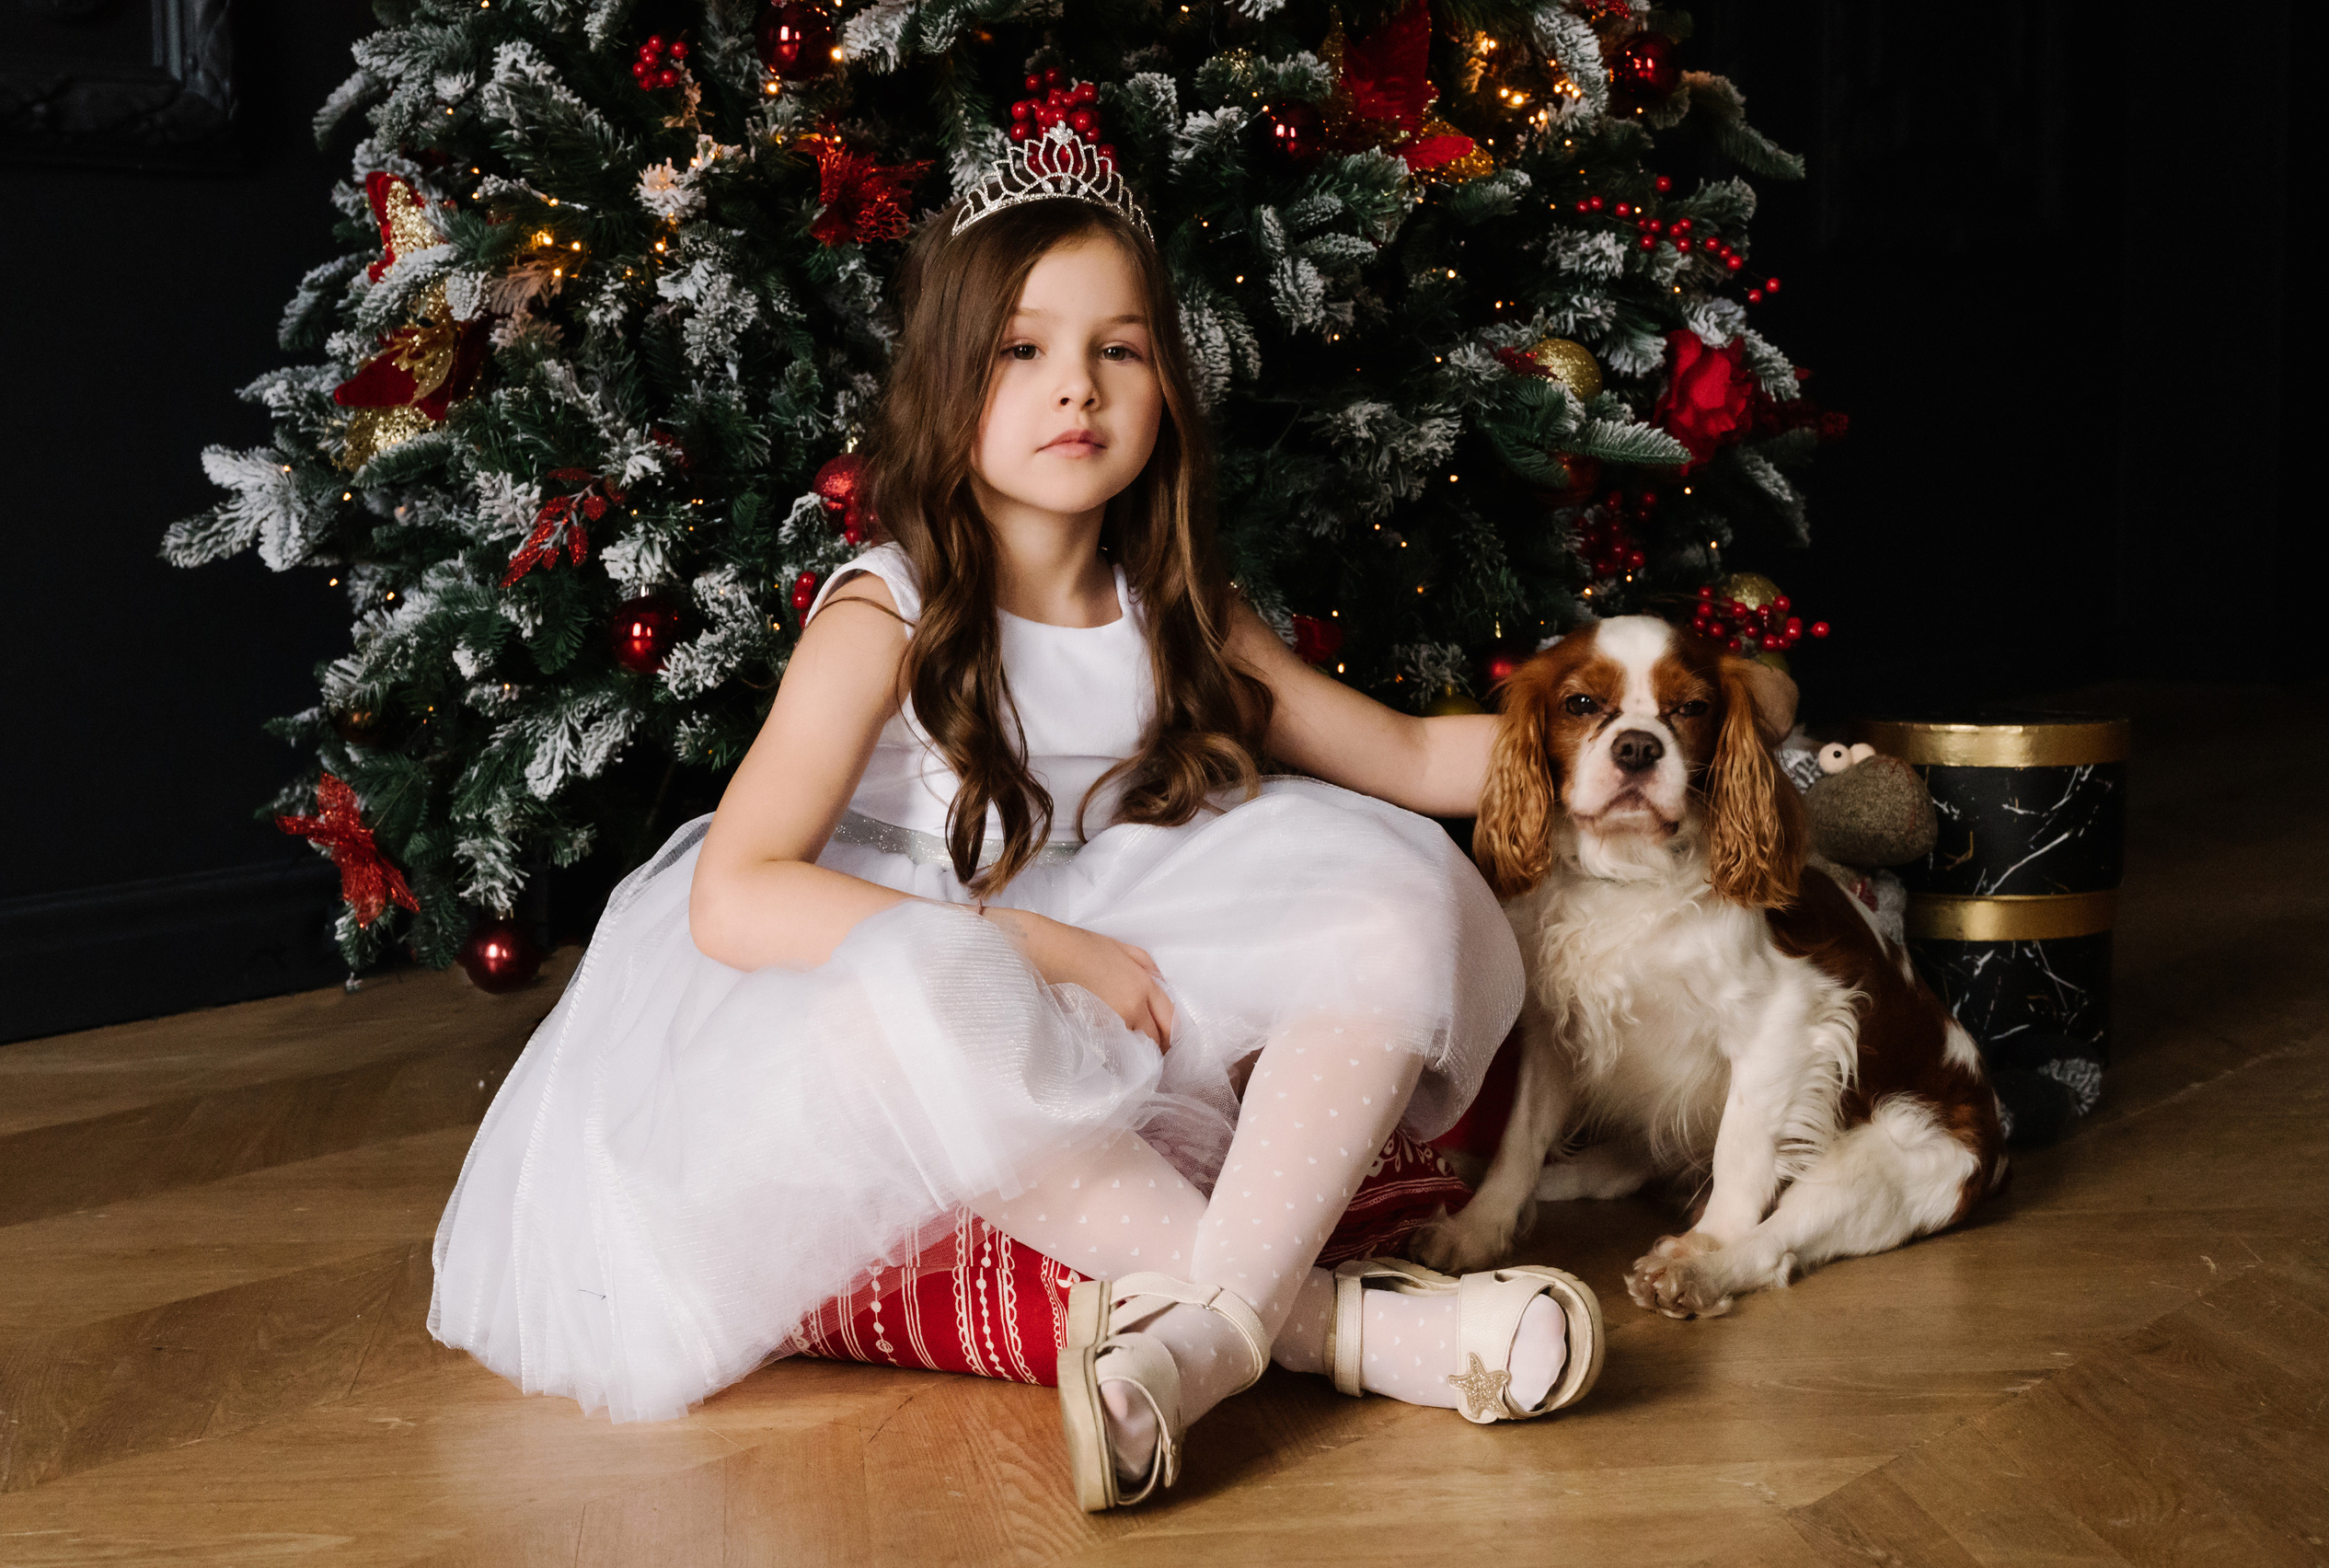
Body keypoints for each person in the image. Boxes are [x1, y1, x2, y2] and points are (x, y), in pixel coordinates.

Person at [431, 125, 1614, 1512]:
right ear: (949, 380)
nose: (1076, 388)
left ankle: (1204, 1340)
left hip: (1119, 921)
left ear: (1164, 387)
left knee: (1391, 889)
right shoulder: (888, 611)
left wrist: (1628, 754)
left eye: (1120, 350)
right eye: (1022, 349)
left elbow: (1406, 754)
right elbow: (736, 890)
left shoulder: (1174, 605)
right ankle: (1346, 1333)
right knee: (929, 995)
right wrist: (1041, 951)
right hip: (895, 959)